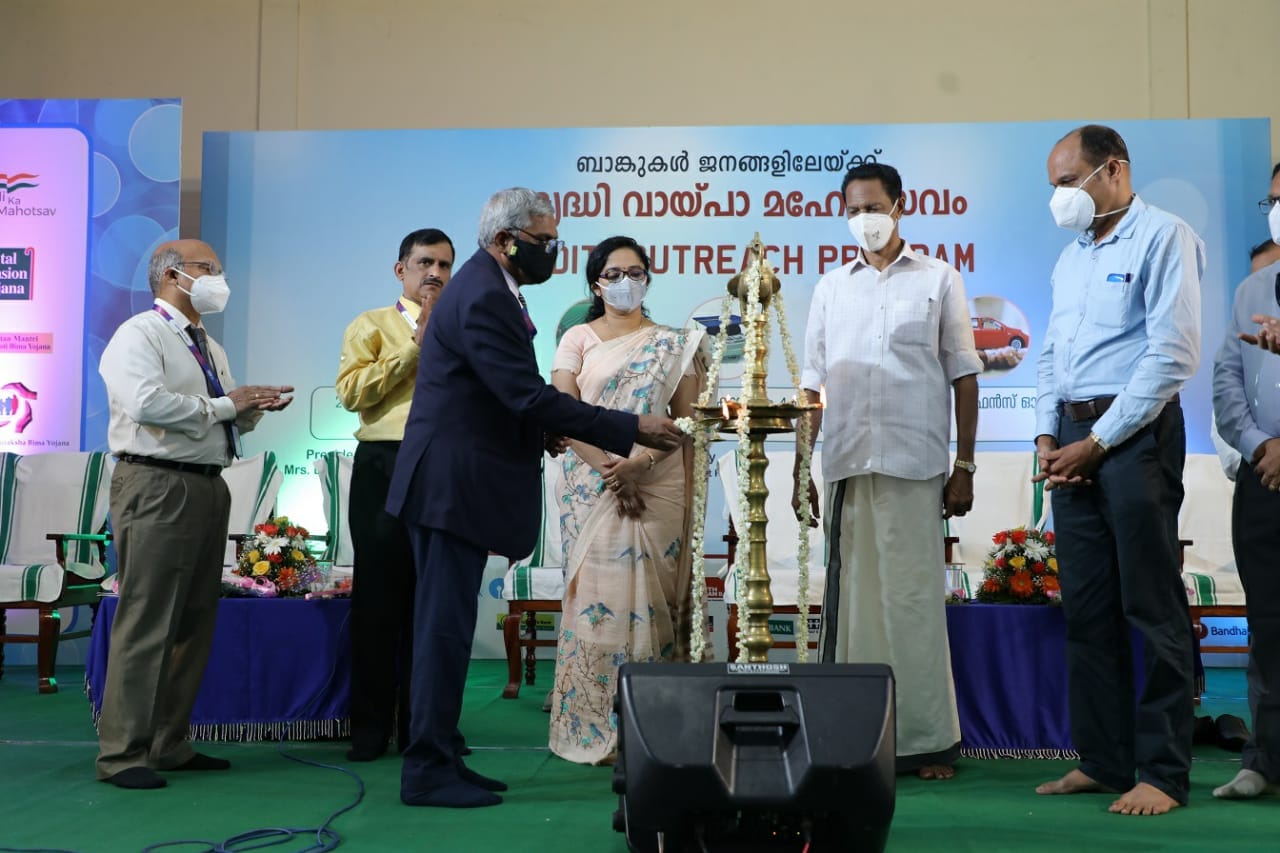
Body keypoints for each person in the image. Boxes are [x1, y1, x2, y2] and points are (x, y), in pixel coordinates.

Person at [386, 188, 685, 808]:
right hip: (449, 486)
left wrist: (538, 429)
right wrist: (630, 426)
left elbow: (500, 394)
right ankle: (427, 770)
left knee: (448, 628)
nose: (552, 251)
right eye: (544, 241)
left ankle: (442, 755)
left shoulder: (490, 287)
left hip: (459, 483)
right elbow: (525, 393)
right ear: (505, 241)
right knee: (442, 632)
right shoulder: (483, 294)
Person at [1033, 125, 1203, 815]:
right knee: (1088, 608)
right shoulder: (1070, 257)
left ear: (1113, 170)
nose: (1059, 198)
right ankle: (1103, 760)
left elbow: (1172, 354)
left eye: (1067, 182)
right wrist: (1048, 434)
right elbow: (1051, 354)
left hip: (1134, 436)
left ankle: (1162, 772)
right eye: (1052, 186)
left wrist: (1098, 442)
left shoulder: (1164, 236)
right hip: (1073, 435)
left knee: (1151, 605)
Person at [793, 162, 981, 781]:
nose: (863, 220)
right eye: (853, 210)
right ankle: (853, 736)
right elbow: (812, 385)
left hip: (915, 463)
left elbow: (964, 374)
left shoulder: (939, 278)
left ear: (900, 206)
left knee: (913, 602)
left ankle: (927, 741)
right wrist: (800, 467)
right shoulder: (831, 287)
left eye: (873, 207)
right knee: (853, 606)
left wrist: (964, 466)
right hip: (847, 463)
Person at [95, 240, 294, 789]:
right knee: (148, 618)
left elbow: (217, 416)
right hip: (157, 483)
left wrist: (251, 409)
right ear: (171, 276)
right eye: (208, 269)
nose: (218, 280)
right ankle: (122, 754)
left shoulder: (208, 345)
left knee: (193, 621)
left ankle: (168, 742)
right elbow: (146, 403)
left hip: (208, 483)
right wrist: (230, 404)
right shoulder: (140, 333)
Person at [547, 236, 707, 765]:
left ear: (647, 279)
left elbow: (688, 422)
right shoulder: (577, 339)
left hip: (658, 482)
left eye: (635, 272)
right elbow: (563, 411)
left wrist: (640, 465)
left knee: (656, 601)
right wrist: (612, 471)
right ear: (596, 284)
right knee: (597, 601)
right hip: (591, 484)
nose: (625, 282)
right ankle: (595, 720)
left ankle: (655, 726)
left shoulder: (675, 343)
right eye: (613, 274)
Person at [335, 228, 455, 762]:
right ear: (400, 269)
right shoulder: (371, 324)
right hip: (385, 463)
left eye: (444, 265)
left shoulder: (462, 327)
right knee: (378, 600)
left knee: (435, 603)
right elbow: (351, 393)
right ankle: (369, 728)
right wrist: (414, 346)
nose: (435, 273)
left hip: (444, 465)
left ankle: (424, 730)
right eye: (425, 262)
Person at [1211, 161, 1280, 799]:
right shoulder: (1251, 290)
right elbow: (1227, 382)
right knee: (1267, 621)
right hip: (1264, 477)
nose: (1277, 210)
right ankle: (1263, 760)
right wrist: (1262, 445)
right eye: (1274, 199)